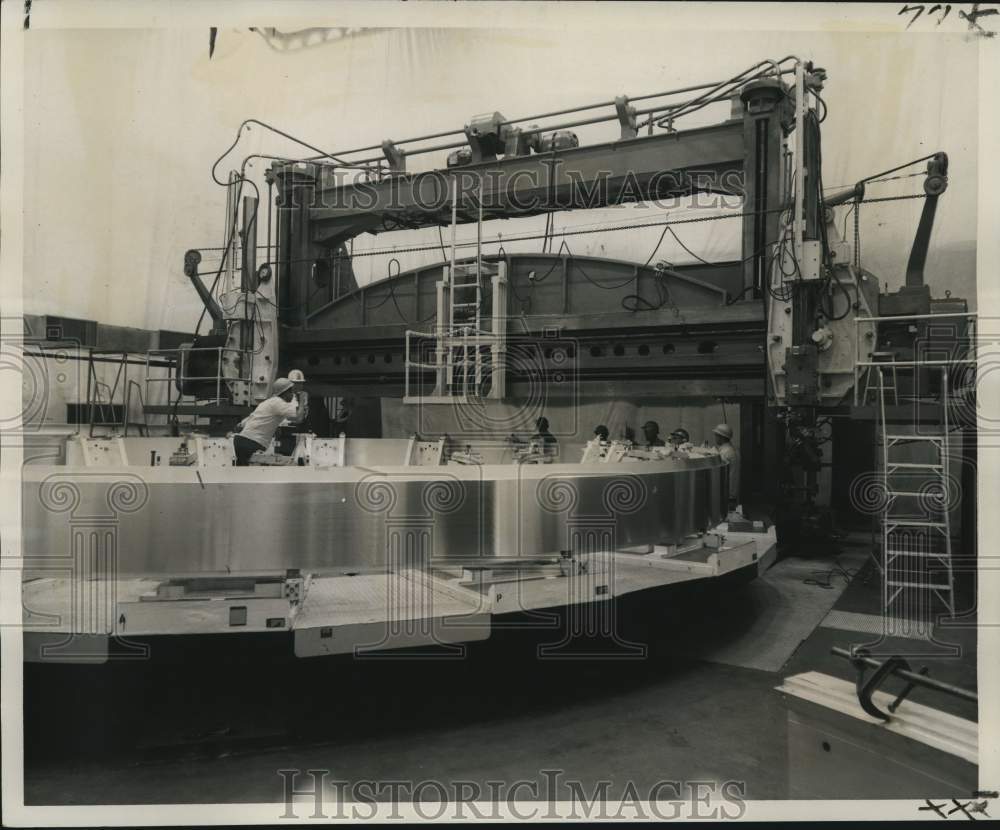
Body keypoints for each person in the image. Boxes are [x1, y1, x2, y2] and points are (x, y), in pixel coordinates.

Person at [232, 378, 306, 466]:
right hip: (252, 444)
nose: (293, 395)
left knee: (242, 475)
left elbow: (240, 426)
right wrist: (302, 400)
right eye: (291, 392)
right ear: (285, 392)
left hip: (240, 442)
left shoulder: (267, 403)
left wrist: (273, 428)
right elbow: (298, 418)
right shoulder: (279, 403)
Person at [712, 423, 739, 505]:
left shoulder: (725, 453)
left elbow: (717, 471)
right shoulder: (732, 449)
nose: (715, 438)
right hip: (732, 492)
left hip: (728, 494)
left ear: (721, 437)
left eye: (716, 435)